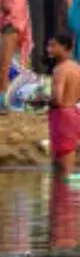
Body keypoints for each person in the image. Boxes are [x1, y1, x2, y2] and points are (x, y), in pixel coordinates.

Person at [49, 33, 80, 175]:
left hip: (62, 116)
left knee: (64, 164)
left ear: (65, 47)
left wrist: (40, 101)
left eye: (53, 46)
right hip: (74, 113)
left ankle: (64, 196)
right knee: (65, 156)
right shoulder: (76, 68)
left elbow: (58, 99)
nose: (49, 49)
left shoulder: (59, 70)